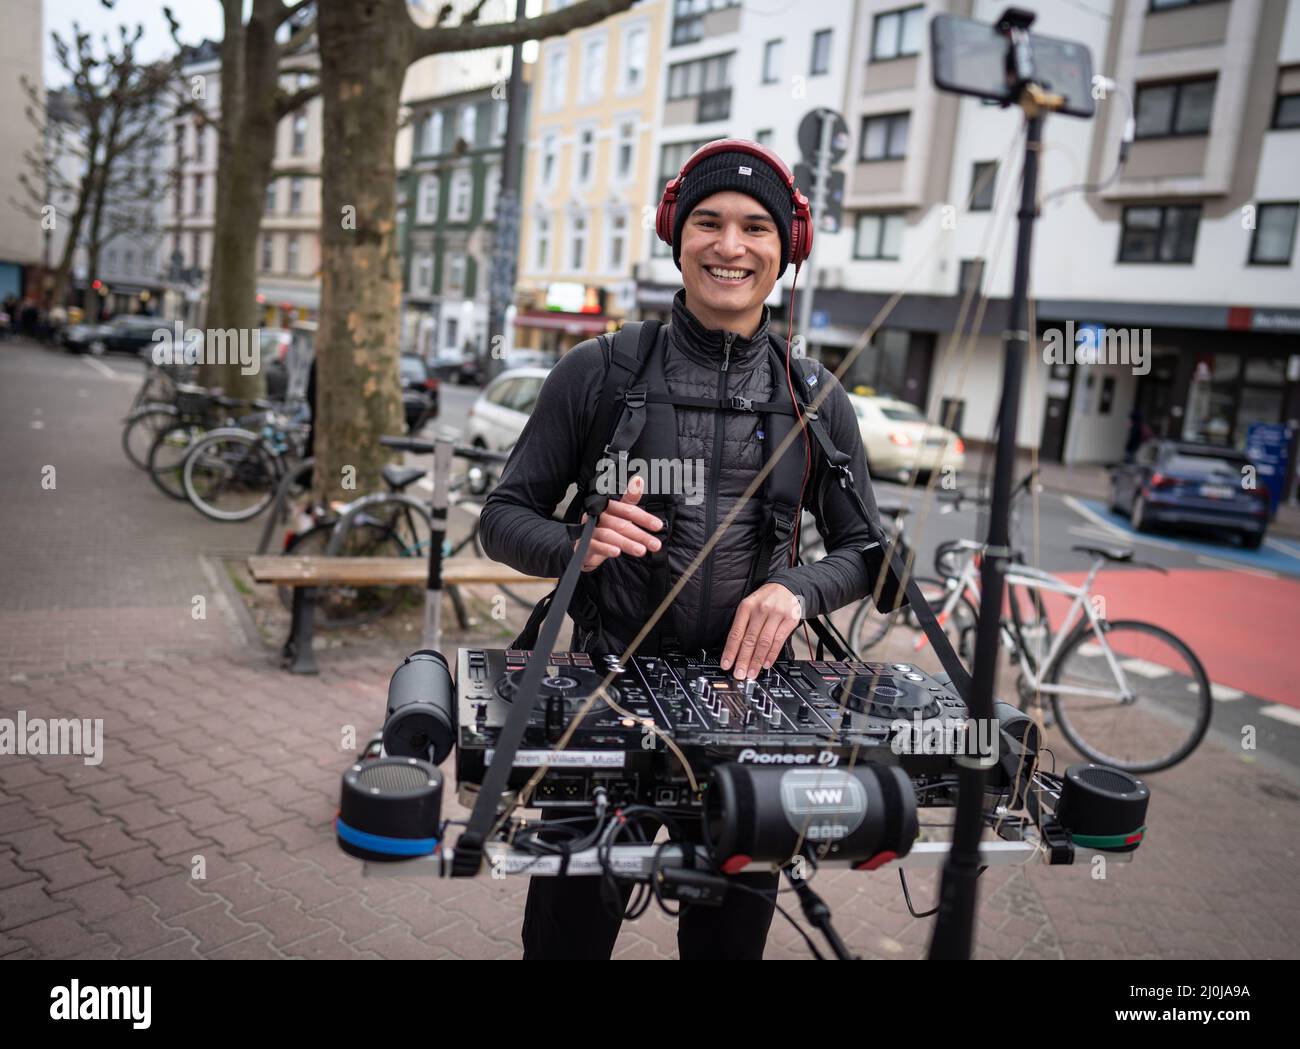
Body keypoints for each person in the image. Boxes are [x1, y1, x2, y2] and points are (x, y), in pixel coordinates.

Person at [479, 139, 889, 960]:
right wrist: (575, 543)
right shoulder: (595, 371)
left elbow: (867, 553)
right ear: (676, 233)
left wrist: (799, 591)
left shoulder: (817, 397)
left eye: (754, 228)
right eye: (707, 221)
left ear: (787, 250)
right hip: (600, 707)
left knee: (727, 947)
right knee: (562, 943)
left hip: (755, 722)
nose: (729, 246)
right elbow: (501, 517)